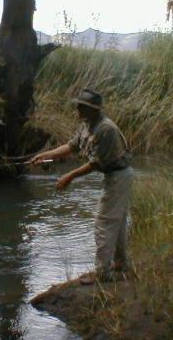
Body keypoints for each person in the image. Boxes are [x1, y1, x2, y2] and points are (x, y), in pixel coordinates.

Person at [30, 89, 134, 284]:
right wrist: (46, 154)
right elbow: (72, 146)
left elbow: (95, 163)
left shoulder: (106, 129)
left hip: (119, 176)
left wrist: (69, 176)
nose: (76, 109)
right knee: (117, 221)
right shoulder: (87, 124)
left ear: (92, 109)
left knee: (104, 223)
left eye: (81, 106)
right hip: (116, 175)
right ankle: (120, 263)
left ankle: (103, 273)